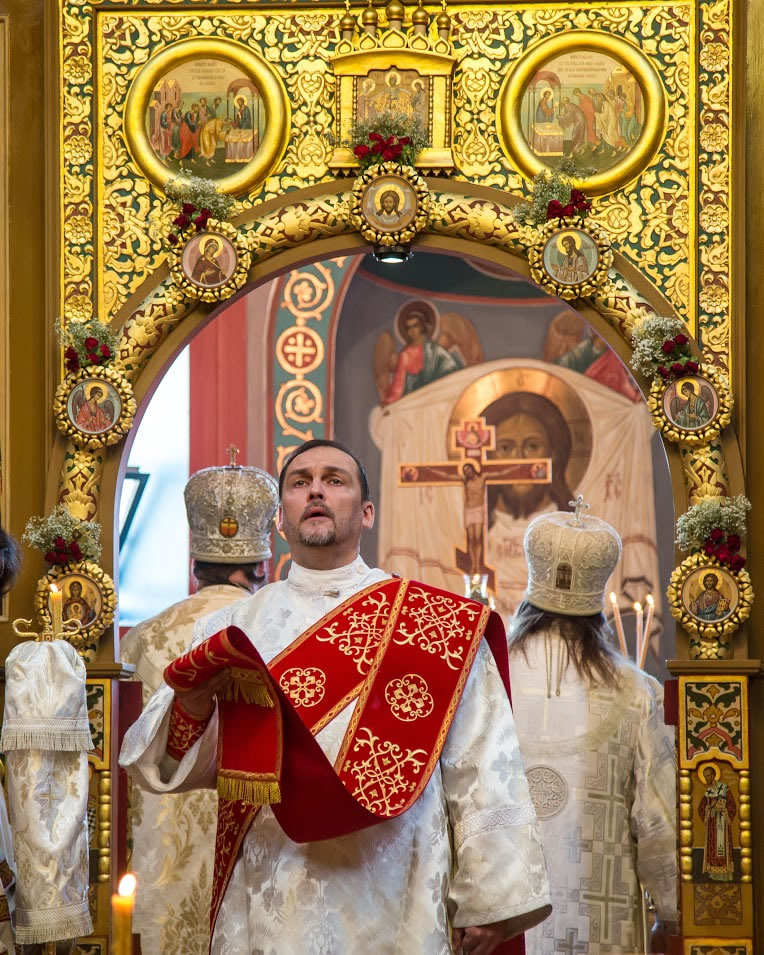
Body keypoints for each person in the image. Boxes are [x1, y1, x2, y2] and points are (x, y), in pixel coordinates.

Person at [121, 439, 552, 954]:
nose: (316, 491)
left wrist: (488, 899)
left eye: (334, 480)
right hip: (271, 890)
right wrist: (192, 707)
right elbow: (164, 764)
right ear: (281, 519)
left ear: (367, 512)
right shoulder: (232, 628)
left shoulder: (433, 623)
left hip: (399, 890)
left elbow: (482, 762)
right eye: (300, 482)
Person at [120, 460, 278, 955]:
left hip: (159, 858)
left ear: (195, 563)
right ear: (262, 564)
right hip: (258, 853)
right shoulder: (279, 631)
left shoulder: (143, 638)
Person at [507, 505, 678, 953]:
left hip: (498, 925)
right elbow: (659, 823)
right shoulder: (638, 693)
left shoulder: (482, 677)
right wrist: (672, 915)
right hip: (599, 928)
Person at [383, 301, 464, 404]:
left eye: (415, 326)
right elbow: (398, 385)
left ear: (422, 326)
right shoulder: (405, 355)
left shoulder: (433, 350)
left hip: (436, 399)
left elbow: (453, 368)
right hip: (414, 403)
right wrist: (390, 401)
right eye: (409, 328)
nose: (412, 331)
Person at [698, 764, 736, 881]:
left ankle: (725, 874)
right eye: (705, 776)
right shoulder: (708, 792)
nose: (707, 778)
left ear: (714, 775)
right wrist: (709, 807)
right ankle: (713, 874)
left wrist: (723, 808)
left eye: (708, 776)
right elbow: (701, 808)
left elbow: (732, 805)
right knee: (713, 848)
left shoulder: (724, 788)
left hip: (723, 823)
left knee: (723, 847)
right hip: (712, 825)